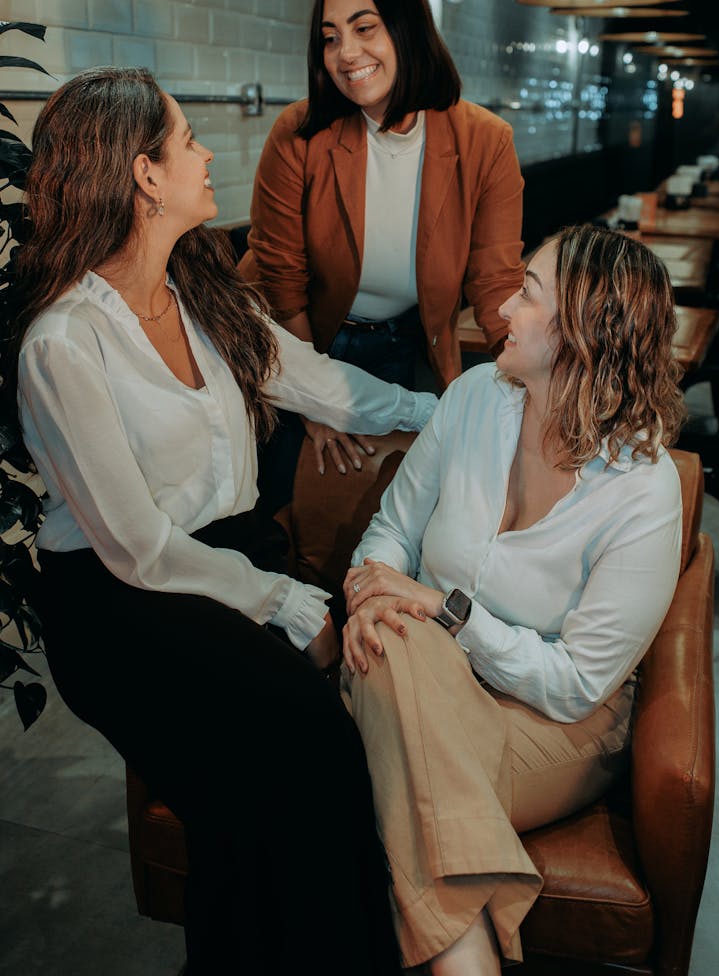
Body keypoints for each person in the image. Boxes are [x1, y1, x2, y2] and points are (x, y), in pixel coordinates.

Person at [9, 66, 439, 976]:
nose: (206, 153)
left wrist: (454, 409)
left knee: (256, 799)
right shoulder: (62, 342)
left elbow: (332, 388)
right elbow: (134, 547)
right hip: (121, 603)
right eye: (185, 139)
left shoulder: (210, 298)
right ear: (143, 176)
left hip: (232, 559)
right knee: (309, 739)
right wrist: (285, 603)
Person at [339, 223, 686, 975]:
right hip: (423, 674)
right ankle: (466, 955)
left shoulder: (644, 489)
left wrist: (450, 613)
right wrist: (372, 591)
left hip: (558, 724)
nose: (501, 309)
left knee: (398, 667)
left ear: (583, 332)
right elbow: (389, 533)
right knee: (394, 641)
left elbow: (577, 686)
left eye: (527, 293)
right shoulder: (471, 398)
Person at [237, 0, 525, 506]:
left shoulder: (485, 141)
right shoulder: (298, 132)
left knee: (409, 494)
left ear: (407, 28)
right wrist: (312, 399)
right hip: (290, 339)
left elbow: (495, 280)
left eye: (364, 28)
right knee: (277, 491)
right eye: (330, 36)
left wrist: (532, 380)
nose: (346, 53)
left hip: (402, 341)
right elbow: (280, 276)